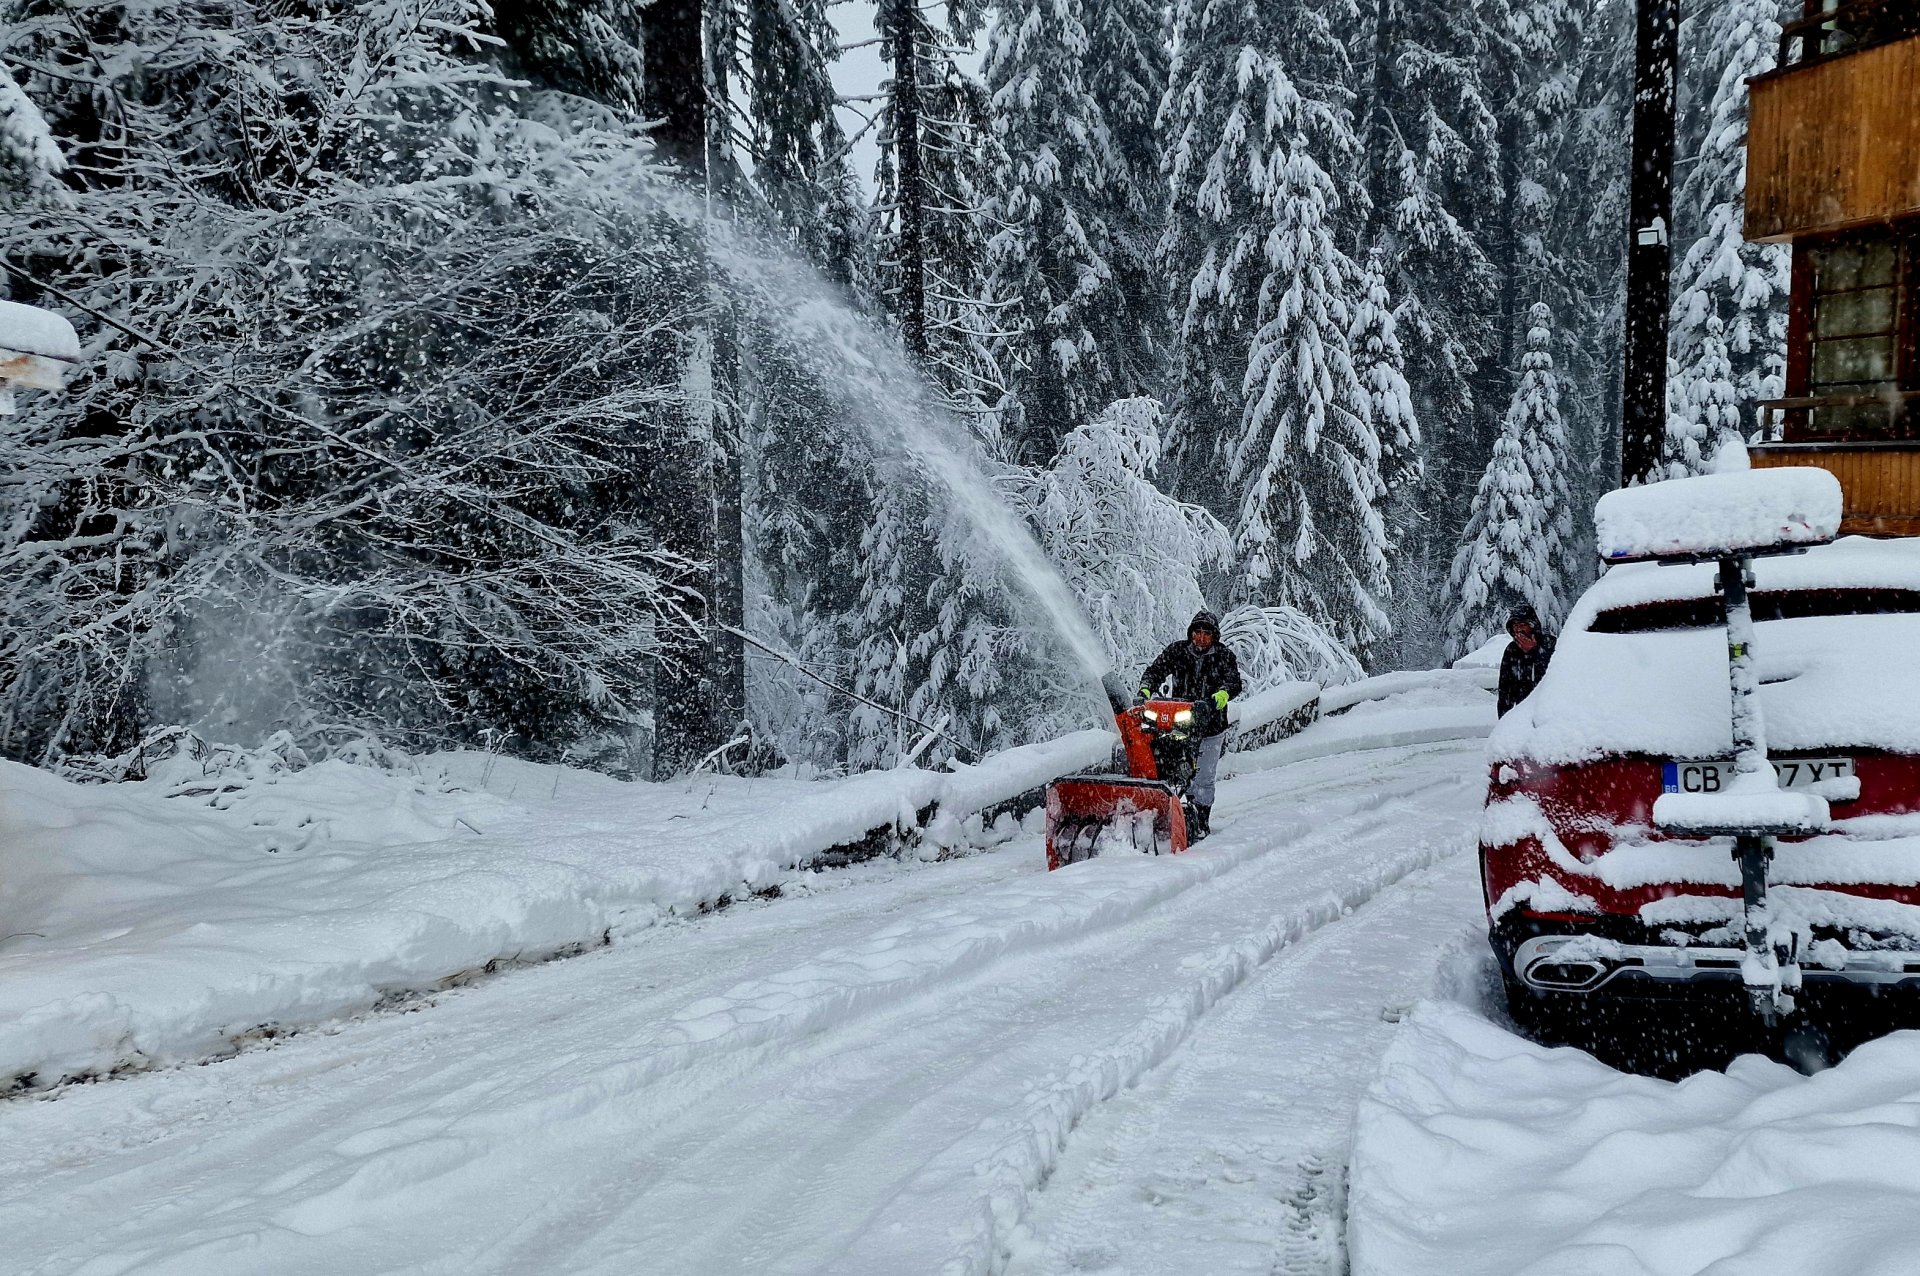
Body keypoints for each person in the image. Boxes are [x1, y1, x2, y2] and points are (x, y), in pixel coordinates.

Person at [1140, 610, 1242, 839]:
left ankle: (1200, 820)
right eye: (1197, 632)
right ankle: (1165, 811)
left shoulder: (1224, 656)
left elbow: (1233, 683)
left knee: (1203, 777)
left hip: (1210, 727)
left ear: (1214, 636)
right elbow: (1156, 671)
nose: (1201, 638)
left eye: (1206, 633)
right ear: (1191, 633)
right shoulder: (1178, 652)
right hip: (1178, 722)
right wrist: (1145, 689)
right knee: (1168, 767)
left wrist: (1217, 699)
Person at [1497, 604, 1557, 717]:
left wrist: (1535, 651)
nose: (1518, 629)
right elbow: (1505, 690)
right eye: (1515, 625)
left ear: (1532, 625)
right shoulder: (1512, 650)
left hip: (1550, 711)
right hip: (1523, 714)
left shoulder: (1550, 644)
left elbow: (1557, 674)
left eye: (1523, 625)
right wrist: (1504, 720)